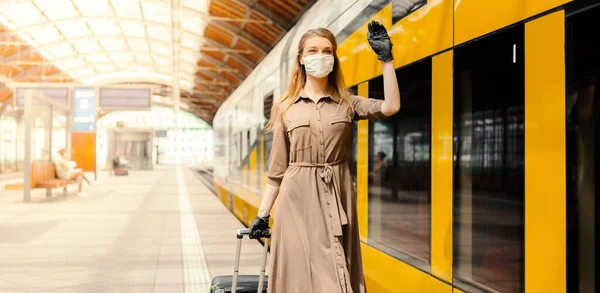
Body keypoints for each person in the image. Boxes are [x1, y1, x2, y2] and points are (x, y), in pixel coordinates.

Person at [248, 21, 400, 293]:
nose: (322, 56)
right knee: (298, 276)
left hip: (336, 192)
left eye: (328, 51)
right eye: (314, 50)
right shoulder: (284, 108)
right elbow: (277, 170)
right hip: (296, 201)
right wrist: (262, 215)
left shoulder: (347, 103)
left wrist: (386, 60)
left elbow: (391, 106)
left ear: (334, 58)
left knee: (336, 273)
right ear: (302, 59)